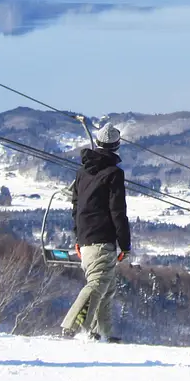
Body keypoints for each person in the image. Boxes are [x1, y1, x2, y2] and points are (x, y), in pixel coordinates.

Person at [61, 122, 131, 342]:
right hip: (103, 238)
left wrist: (78, 238)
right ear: (117, 146)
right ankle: (74, 326)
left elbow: (76, 206)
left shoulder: (82, 173)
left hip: (85, 238)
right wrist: (125, 244)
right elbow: (117, 211)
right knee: (98, 284)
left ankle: (105, 334)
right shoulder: (114, 174)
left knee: (106, 287)